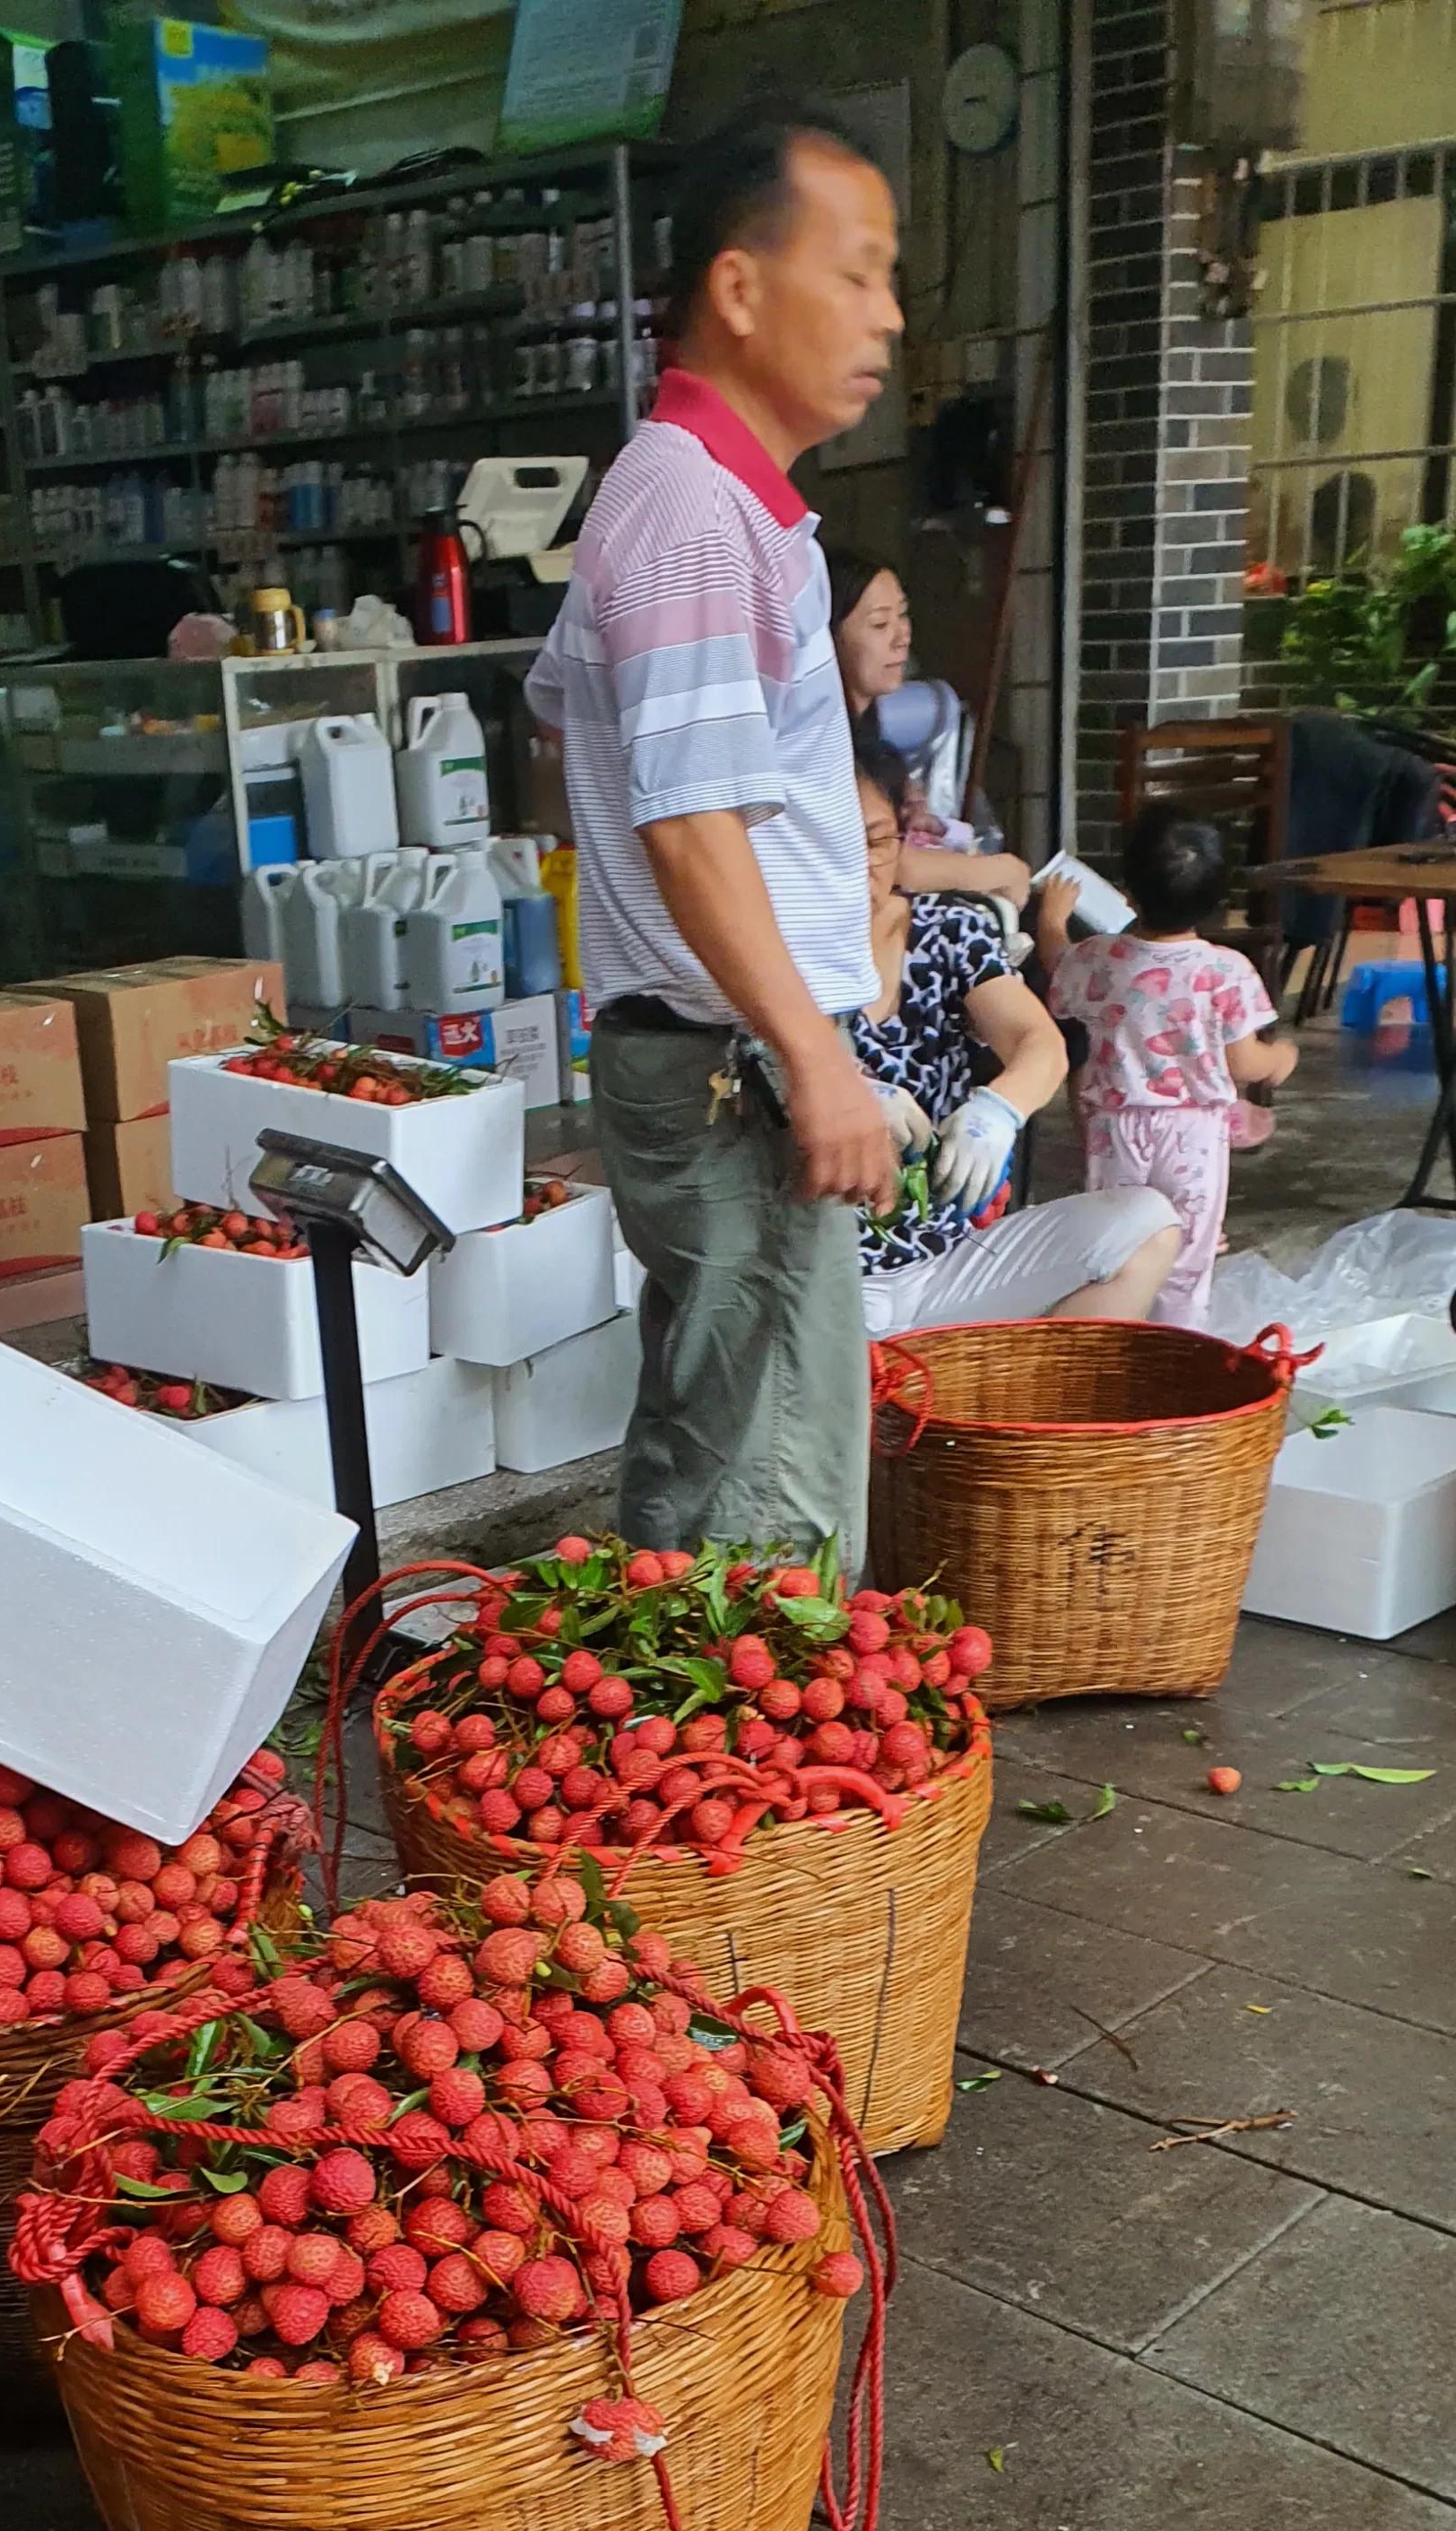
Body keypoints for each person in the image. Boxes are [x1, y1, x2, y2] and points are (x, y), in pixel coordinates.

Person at [525, 102, 904, 1562]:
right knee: (770, 1475)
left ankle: (708, 1762)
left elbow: (571, 727)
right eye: (857, 271)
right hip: (727, 1068)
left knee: (727, 1429)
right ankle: (757, 1783)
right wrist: (809, 1057)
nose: (882, 316)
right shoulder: (689, 515)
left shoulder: (707, 504)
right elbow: (689, 824)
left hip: (708, 1054)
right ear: (740, 292)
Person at [849, 759, 1182, 1333]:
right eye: (830, 838)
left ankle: (1025, 1410)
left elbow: (1038, 1042)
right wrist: (846, 1095)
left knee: (1146, 1225)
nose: (859, 860)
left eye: (878, 840)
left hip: (946, 1260)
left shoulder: (947, 930)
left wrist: (996, 1111)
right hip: (821, 1278)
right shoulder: (770, 955)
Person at [1048, 802, 1298, 1330]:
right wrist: (1281, 1059)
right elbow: (1247, 1063)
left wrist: (1051, 919)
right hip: (1193, 1134)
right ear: (1218, 899)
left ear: (1128, 891)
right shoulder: (1227, 970)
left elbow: (1058, 967)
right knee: (1186, 1263)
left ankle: (1115, 1346)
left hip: (1115, 1128)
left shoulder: (1097, 958)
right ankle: (1178, 1358)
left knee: (1115, 1252)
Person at [832, 552, 1035, 908]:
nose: (902, 637)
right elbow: (892, 865)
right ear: (827, 638)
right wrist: (1003, 869)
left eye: (903, 615)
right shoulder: (820, 748)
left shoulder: (871, 742)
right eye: (880, 624)